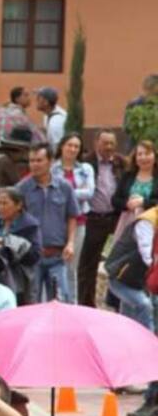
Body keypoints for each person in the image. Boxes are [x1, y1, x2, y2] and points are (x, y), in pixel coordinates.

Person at [16, 143, 78, 303]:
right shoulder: (21, 189)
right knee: (32, 303)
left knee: (61, 301)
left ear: (50, 161)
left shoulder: (65, 187)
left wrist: (71, 242)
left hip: (57, 255)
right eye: (31, 161)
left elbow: (72, 216)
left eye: (39, 160)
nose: (34, 165)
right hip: (31, 257)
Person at [80, 130, 125, 308]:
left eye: (112, 143)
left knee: (121, 260)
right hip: (94, 218)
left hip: (116, 217)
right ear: (96, 143)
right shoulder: (86, 163)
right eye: (105, 143)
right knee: (88, 265)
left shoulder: (120, 163)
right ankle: (86, 304)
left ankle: (117, 302)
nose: (109, 147)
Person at [52, 132, 94, 302]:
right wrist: (75, 192)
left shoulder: (85, 169)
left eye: (76, 146)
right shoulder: (52, 169)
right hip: (56, 221)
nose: (72, 149)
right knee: (56, 264)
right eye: (69, 145)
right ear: (62, 146)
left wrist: (67, 192)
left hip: (79, 220)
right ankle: (56, 301)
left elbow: (89, 192)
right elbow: (53, 192)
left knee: (71, 266)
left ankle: (72, 303)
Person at [0, 186, 41, 306]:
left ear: (18, 205)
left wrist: (8, 242)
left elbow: (34, 255)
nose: (1, 207)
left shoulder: (29, 225)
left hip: (19, 279)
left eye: (5, 203)